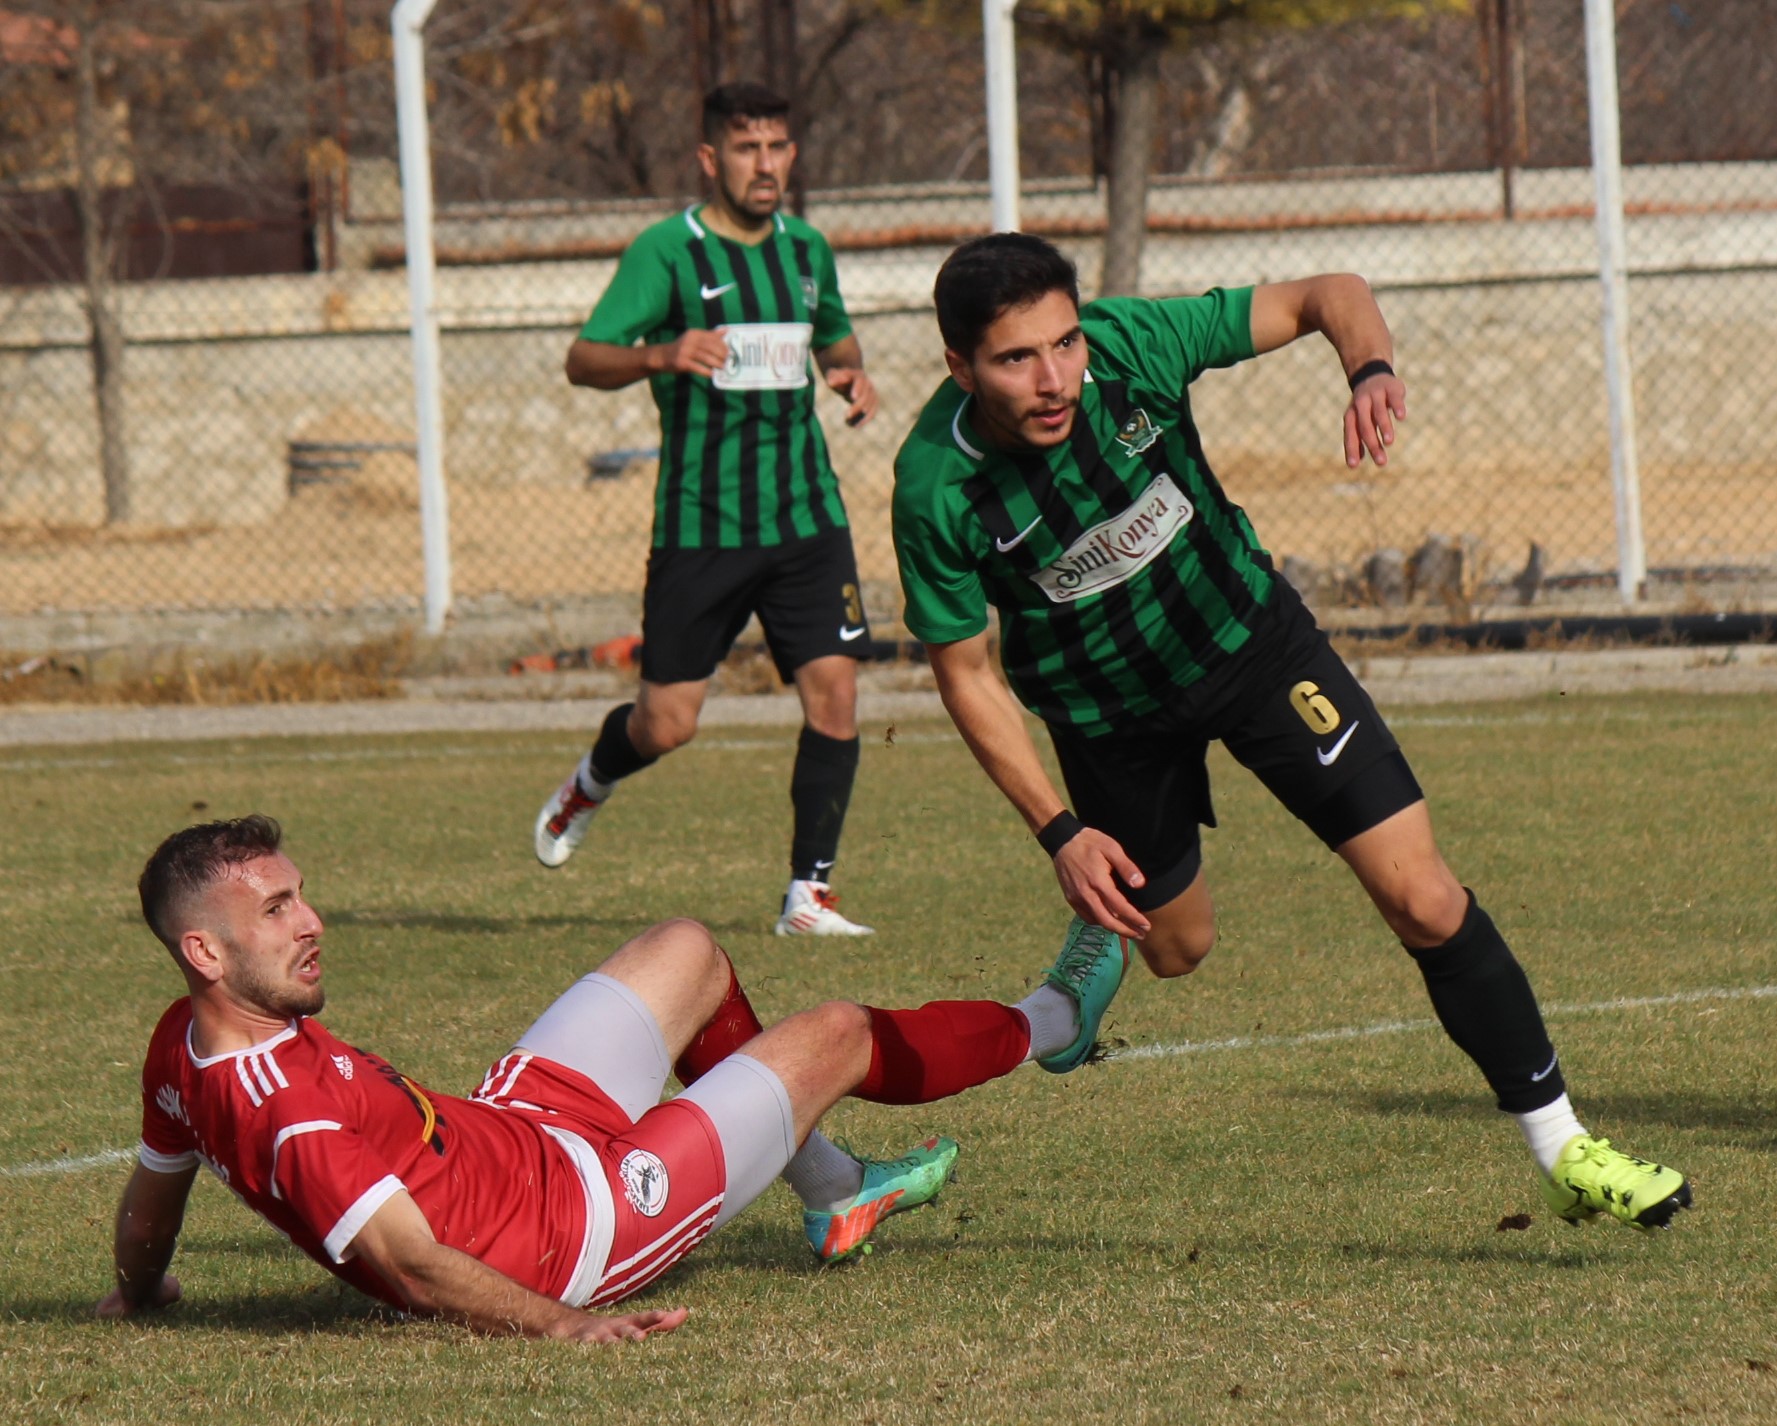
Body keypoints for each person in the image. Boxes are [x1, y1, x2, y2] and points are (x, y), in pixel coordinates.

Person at [889, 232, 1691, 1231]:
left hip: (1255, 652)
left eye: (1063, 344)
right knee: (1177, 948)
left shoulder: (1133, 344)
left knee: (1423, 895)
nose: (1053, 378)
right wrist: (1061, 832)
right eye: (1016, 359)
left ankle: (1562, 1145)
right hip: (1108, 719)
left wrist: (1370, 369)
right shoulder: (934, 486)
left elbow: (1330, 290)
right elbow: (964, 674)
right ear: (958, 367)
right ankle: (1099, 934)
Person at [98, 815, 1128, 1340]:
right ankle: (1054, 1020)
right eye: (275, 910)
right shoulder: (287, 1114)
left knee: (686, 948)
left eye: (299, 896)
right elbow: (410, 1265)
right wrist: (567, 1324)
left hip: (521, 1124)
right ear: (205, 952)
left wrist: (139, 1290)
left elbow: (154, 1188)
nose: (311, 922)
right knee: (838, 1034)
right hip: (580, 1230)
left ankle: (834, 1190)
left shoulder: (181, 1041)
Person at [534, 81, 880, 937]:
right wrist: (662, 352)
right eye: (746, 148)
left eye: (776, 147)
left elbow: (832, 334)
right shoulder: (668, 253)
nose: (764, 165)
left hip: (806, 517)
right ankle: (591, 780)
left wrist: (848, 373)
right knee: (667, 722)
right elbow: (583, 359)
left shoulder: (805, 250)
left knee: (834, 695)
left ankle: (809, 894)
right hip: (702, 526)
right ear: (710, 158)